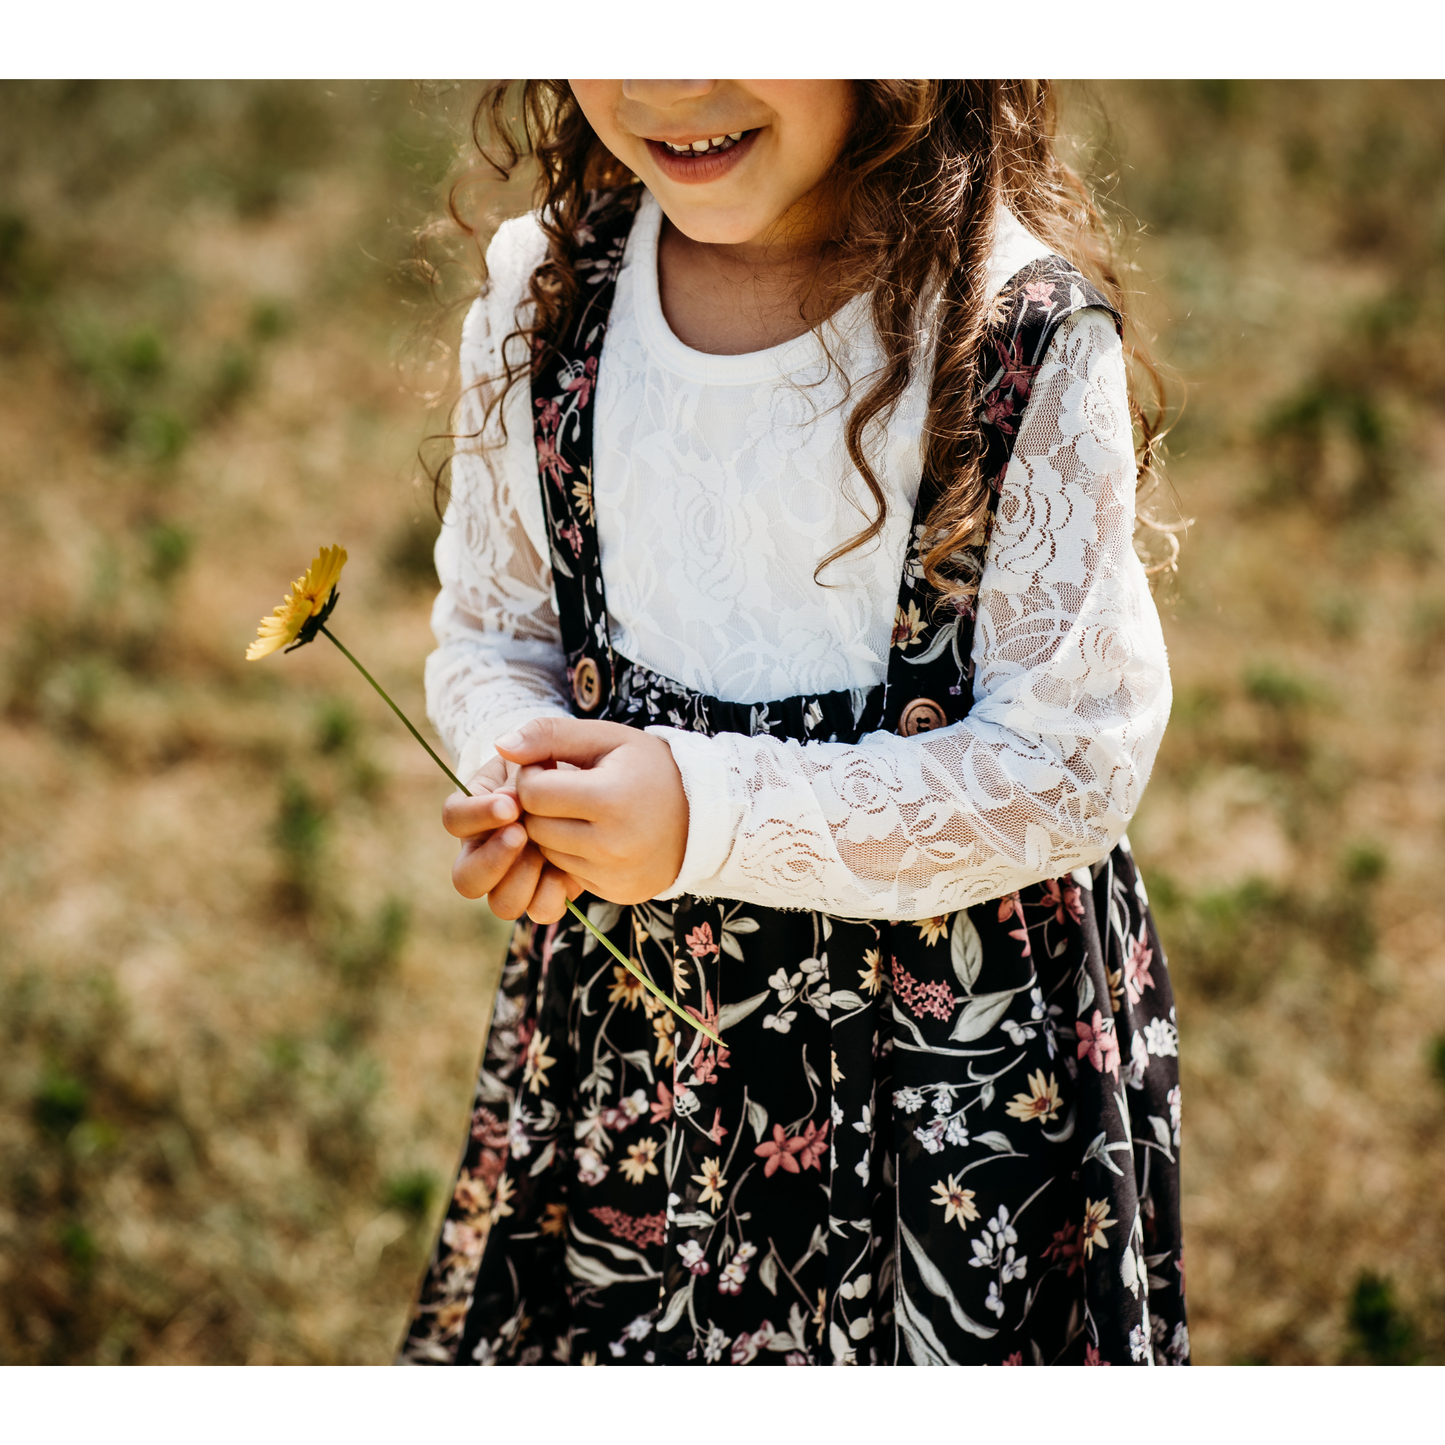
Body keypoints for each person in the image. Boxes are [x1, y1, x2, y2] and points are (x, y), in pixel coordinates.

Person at [399, 80, 1187, 1367]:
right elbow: (496, 631)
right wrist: (525, 777)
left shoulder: (1012, 335)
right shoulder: (551, 294)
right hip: (638, 1051)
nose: (667, 81)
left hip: (945, 1080)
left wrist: (705, 815)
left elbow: (1065, 761)